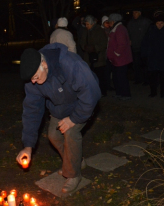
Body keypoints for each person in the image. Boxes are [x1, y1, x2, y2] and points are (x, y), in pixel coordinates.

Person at [16, 43, 101, 194]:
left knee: (71, 133)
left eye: (35, 77)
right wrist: (28, 146)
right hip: (60, 107)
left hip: (81, 104)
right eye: (31, 79)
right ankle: (75, 161)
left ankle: (73, 175)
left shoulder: (70, 64)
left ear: (44, 64)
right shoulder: (33, 79)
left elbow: (91, 93)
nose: (33, 82)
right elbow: (32, 110)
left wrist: (74, 119)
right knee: (53, 135)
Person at [141, 10, 164, 98]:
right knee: (153, 77)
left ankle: (163, 92)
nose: (159, 25)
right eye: (158, 23)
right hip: (153, 58)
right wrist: (144, 55)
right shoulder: (151, 30)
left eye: (161, 23)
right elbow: (145, 43)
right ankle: (153, 92)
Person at [80, 15, 108, 97]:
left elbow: (103, 44)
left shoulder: (99, 31)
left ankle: (102, 91)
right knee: (90, 76)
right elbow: (82, 41)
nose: (86, 26)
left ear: (92, 24)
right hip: (88, 58)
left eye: (88, 24)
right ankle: (92, 91)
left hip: (98, 58)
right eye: (86, 24)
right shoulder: (85, 31)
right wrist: (84, 47)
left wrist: (94, 48)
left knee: (100, 76)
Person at [107, 13, 133, 100]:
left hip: (121, 59)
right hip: (116, 59)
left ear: (113, 21)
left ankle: (126, 94)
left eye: (110, 22)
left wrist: (115, 54)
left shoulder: (120, 29)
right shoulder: (116, 28)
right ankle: (119, 93)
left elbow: (122, 44)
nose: (109, 24)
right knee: (117, 77)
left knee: (121, 77)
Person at [127, 8, 152, 85]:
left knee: (145, 65)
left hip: (144, 47)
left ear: (140, 13)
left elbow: (150, 33)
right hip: (135, 47)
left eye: (136, 12)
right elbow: (128, 33)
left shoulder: (146, 22)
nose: (134, 14)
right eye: (133, 12)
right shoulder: (130, 23)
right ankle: (138, 79)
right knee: (136, 64)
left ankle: (147, 80)